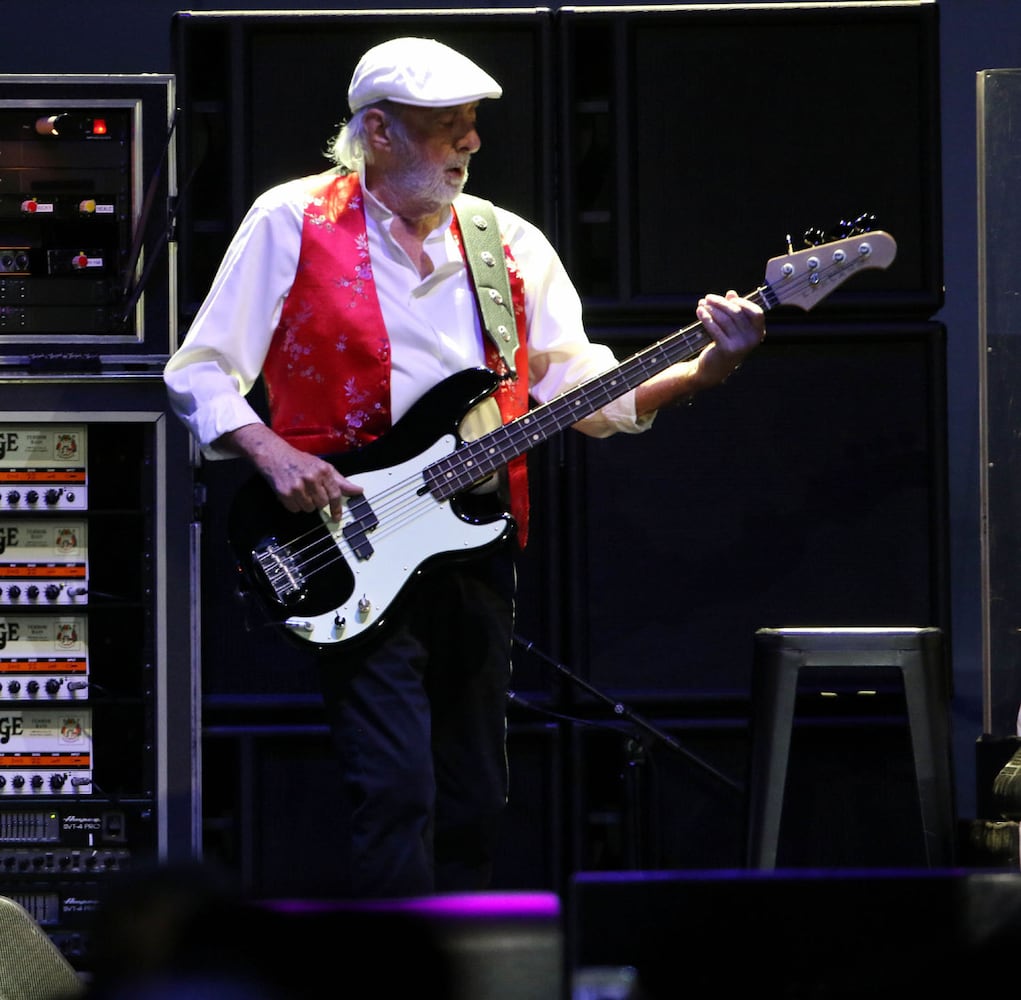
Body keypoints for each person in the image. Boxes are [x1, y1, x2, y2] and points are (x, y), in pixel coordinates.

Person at [163, 35, 766, 898]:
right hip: (347, 540)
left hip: (475, 544)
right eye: (446, 126)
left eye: (472, 124)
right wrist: (270, 450)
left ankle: (464, 953)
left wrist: (706, 370)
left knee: (474, 795)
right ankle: (400, 960)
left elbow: (586, 395)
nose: (470, 143)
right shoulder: (290, 220)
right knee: (394, 792)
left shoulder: (506, 242)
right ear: (378, 132)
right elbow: (198, 371)